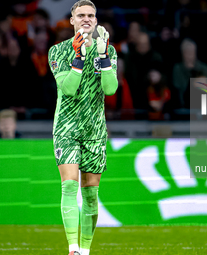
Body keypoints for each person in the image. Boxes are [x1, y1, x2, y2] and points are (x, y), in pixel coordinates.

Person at [47, 1, 118, 255]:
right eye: (81, 15)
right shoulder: (58, 51)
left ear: (96, 21)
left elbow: (110, 90)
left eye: (91, 15)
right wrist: (79, 57)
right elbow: (67, 89)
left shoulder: (108, 51)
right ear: (72, 20)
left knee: (90, 195)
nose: (86, 19)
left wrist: (103, 57)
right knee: (68, 186)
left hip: (95, 129)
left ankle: (86, 251)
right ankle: (73, 248)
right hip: (66, 126)